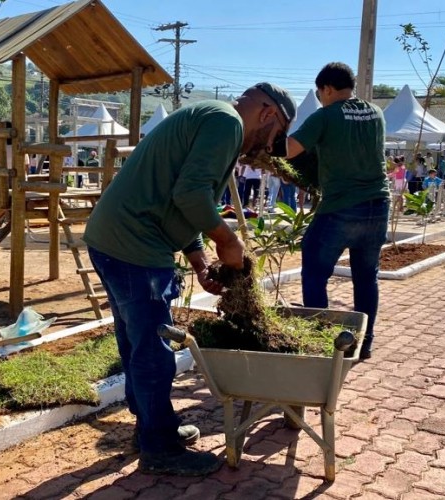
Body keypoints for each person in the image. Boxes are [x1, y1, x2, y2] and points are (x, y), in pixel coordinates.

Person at [84, 82, 295, 476]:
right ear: (268, 114)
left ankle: (150, 428)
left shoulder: (213, 116)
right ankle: (159, 448)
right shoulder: (226, 123)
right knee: (153, 351)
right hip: (135, 246)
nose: (269, 146)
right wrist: (228, 242)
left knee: (135, 344)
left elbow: (183, 200)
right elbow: (190, 194)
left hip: (112, 239)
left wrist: (199, 261)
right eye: (277, 135)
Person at [286, 62, 389, 361]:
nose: (320, 99)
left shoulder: (326, 115)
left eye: (320, 94)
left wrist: (259, 146)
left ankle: (321, 340)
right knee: (366, 277)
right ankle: (364, 343)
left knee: (315, 272)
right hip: (378, 207)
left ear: (327, 89)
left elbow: (290, 149)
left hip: (341, 207)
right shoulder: (376, 113)